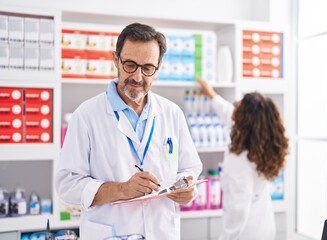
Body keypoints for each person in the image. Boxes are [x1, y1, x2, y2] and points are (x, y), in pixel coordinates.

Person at [55, 23, 202, 240]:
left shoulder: (172, 113)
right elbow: (67, 185)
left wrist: (186, 188)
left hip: (161, 232)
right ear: (116, 60)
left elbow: (190, 168)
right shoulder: (86, 116)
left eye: (148, 68)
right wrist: (122, 189)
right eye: (130, 65)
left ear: (158, 67)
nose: (138, 77)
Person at [198, 78, 289, 240]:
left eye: (237, 108)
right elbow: (229, 114)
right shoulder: (261, 145)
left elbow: (238, 210)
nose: (233, 109)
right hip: (265, 226)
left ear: (243, 120)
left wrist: (225, 238)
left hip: (244, 233)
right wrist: (212, 95)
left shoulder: (239, 160)